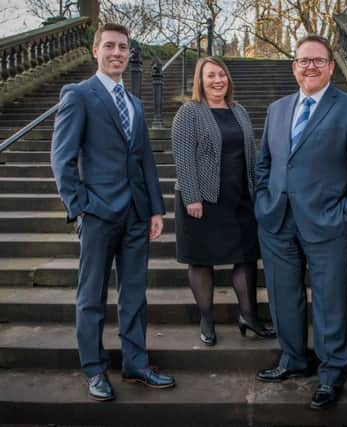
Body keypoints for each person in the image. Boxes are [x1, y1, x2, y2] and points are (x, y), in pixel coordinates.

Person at [51, 23, 175, 401]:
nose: (117, 52)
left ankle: (136, 365)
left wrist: (155, 208)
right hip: (99, 215)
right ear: (95, 50)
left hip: (137, 214)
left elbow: (145, 161)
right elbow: (62, 159)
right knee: (91, 296)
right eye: (110, 46)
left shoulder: (134, 101)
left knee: (134, 295)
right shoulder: (79, 95)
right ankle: (94, 369)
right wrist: (82, 206)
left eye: (123, 47)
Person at [254, 35, 347, 410]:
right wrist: (263, 201)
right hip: (277, 221)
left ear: (330, 66)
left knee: (329, 302)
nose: (309, 66)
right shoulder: (277, 109)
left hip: (328, 223)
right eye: (303, 60)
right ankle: (293, 359)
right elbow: (265, 164)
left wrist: (346, 213)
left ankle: (332, 372)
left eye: (317, 61)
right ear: (294, 67)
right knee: (283, 298)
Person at [171, 57, 275, 347]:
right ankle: (207, 319)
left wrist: (258, 190)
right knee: (201, 260)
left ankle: (249, 317)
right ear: (200, 81)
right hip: (202, 200)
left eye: (221, 74)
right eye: (210, 76)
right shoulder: (188, 112)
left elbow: (250, 153)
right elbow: (183, 157)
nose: (217, 80)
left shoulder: (238, 110)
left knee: (245, 257)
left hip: (239, 197)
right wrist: (192, 196)